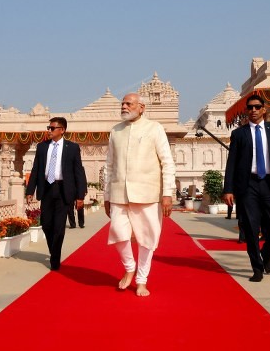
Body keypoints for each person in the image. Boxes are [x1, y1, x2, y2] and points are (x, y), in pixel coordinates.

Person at [104, 93, 175, 297]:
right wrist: (107, 195)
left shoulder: (155, 128)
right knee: (118, 232)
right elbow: (109, 166)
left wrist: (167, 193)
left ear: (141, 107)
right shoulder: (115, 131)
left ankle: (142, 281)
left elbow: (167, 162)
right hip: (119, 193)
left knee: (147, 239)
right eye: (123, 104)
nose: (124, 106)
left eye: (129, 103)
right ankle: (129, 266)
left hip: (148, 193)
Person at [223, 94, 270, 282]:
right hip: (248, 185)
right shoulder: (239, 134)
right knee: (251, 228)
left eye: (257, 107)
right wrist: (228, 189)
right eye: (250, 108)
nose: (253, 111)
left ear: (264, 109)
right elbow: (231, 163)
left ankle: (266, 254)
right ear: (247, 111)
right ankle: (256, 267)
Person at [26, 117, 87, 271]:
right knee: (46, 225)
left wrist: (80, 196)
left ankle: (55, 258)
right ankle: (54, 252)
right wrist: (30, 190)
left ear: (62, 130)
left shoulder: (72, 147)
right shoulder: (42, 147)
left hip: (63, 190)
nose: (49, 130)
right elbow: (35, 170)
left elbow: (79, 172)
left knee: (59, 227)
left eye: (52, 128)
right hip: (46, 189)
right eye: (49, 127)